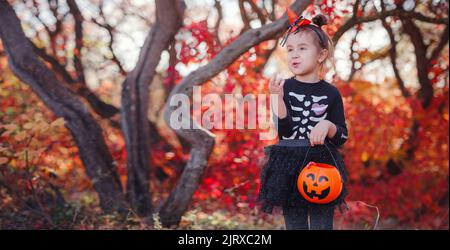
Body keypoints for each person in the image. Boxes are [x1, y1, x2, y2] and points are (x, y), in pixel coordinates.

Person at [257, 9, 349, 230]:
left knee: (321, 223)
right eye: (290, 49)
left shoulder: (331, 93)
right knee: (295, 224)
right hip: (289, 160)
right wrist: (276, 98)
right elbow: (285, 130)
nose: (294, 55)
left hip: (321, 164)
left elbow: (342, 137)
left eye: (302, 48)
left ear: (321, 55)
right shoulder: (284, 87)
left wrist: (327, 125)